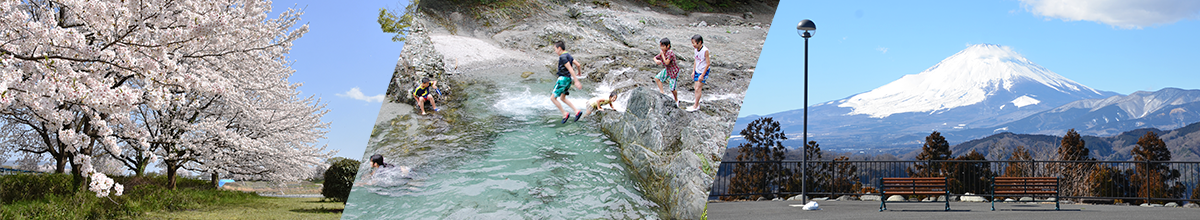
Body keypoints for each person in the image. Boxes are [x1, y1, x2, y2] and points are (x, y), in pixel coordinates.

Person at [551, 40, 584, 123]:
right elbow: (578, 64)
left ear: (559, 48)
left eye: (555, 49)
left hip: (563, 79)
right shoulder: (568, 55)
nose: (555, 51)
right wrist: (579, 72)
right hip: (568, 80)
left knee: (553, 98)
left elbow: (570, 68)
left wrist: (576, 81)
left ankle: (564, 113)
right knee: (562, 98)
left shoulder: (562, 57)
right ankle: (576, 111)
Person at [652, 37, 681, 106]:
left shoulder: (670, 53)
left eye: (663, 46)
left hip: (674, 72)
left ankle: (676, 99)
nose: (661, 48)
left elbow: (667, 62)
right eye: (661, 46)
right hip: (668, 70)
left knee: (672, 88)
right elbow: (655, 57)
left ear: (668, 46)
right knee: (657, 78)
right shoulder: (663, 52)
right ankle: (662, 92)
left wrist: (662, 55)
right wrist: (656, 61)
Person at [687, 34, 710, 112]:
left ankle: (696, 105)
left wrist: (702, 75)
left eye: (694, 43)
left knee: (698, 88)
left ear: (700, 42)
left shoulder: (705, 51)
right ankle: (696, 104)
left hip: (703, 71)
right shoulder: (696, 50)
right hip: (697, 70)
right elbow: (696, 60)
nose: (693, 45)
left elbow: (708, 63)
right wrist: (693, 71)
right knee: (695, 88)